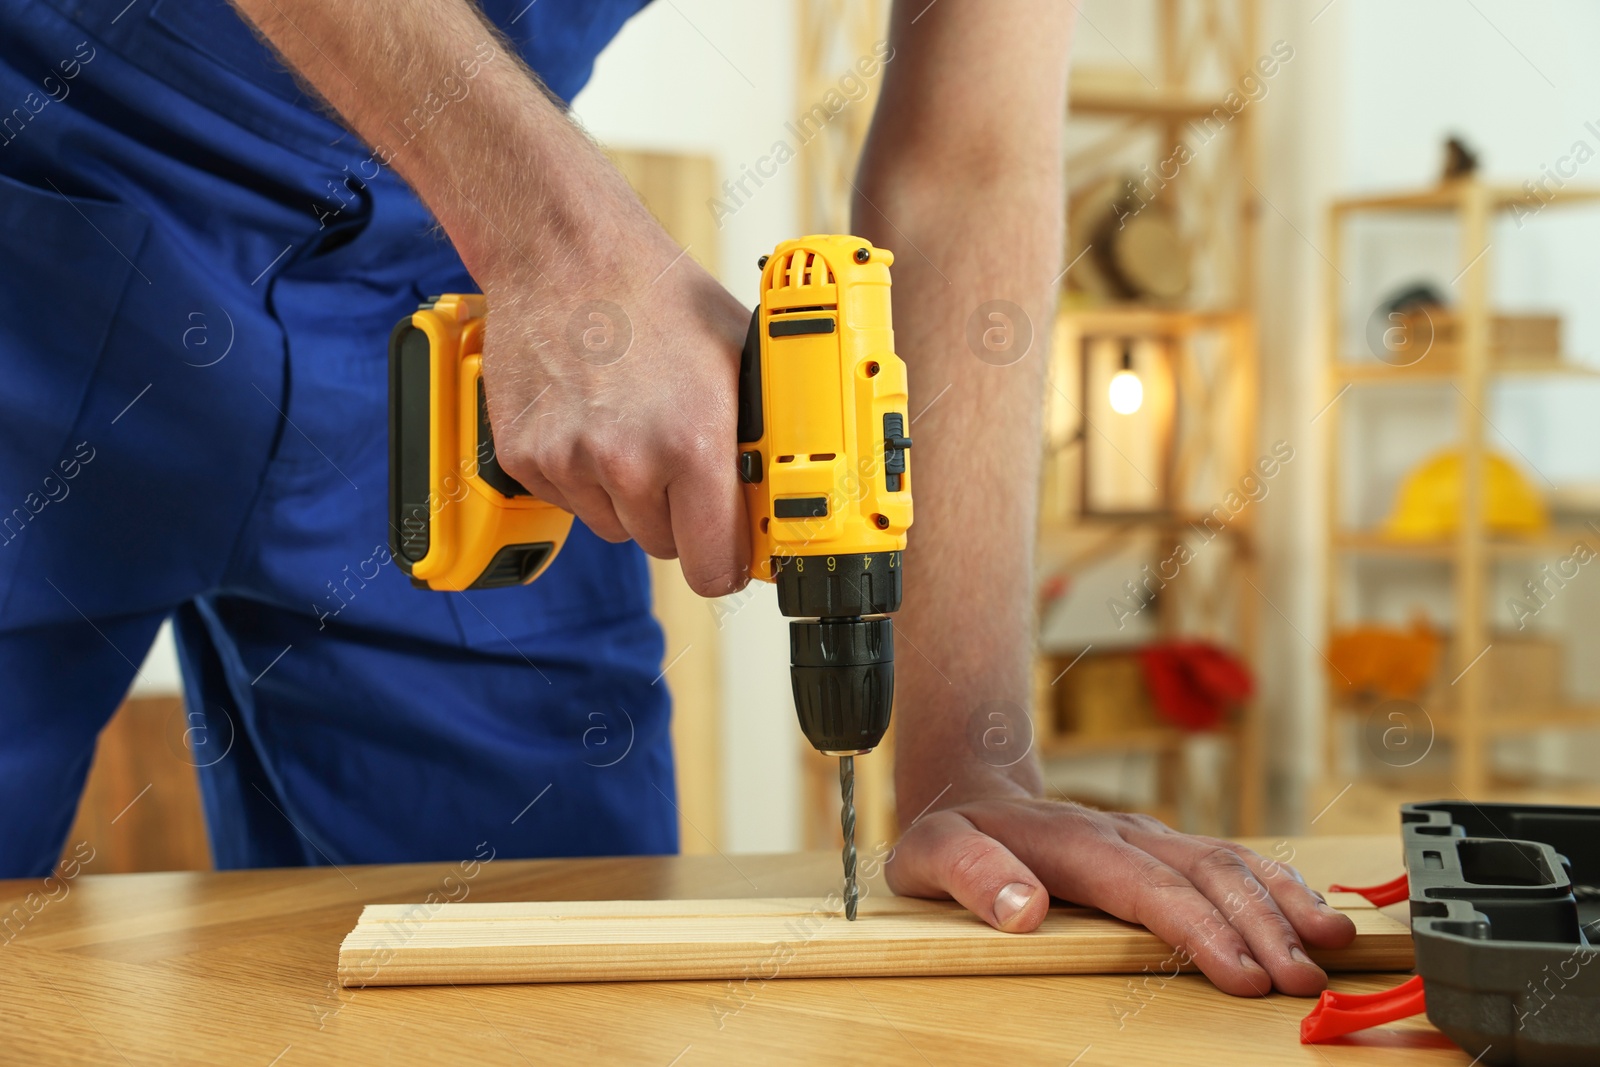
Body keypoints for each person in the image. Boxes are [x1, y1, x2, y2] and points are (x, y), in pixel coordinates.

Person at [0, 0, 1352, 997]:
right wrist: (556, 234)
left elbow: (970, 166)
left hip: (446, 270)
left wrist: (970, 765)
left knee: (551, 985)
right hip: (41, 173)